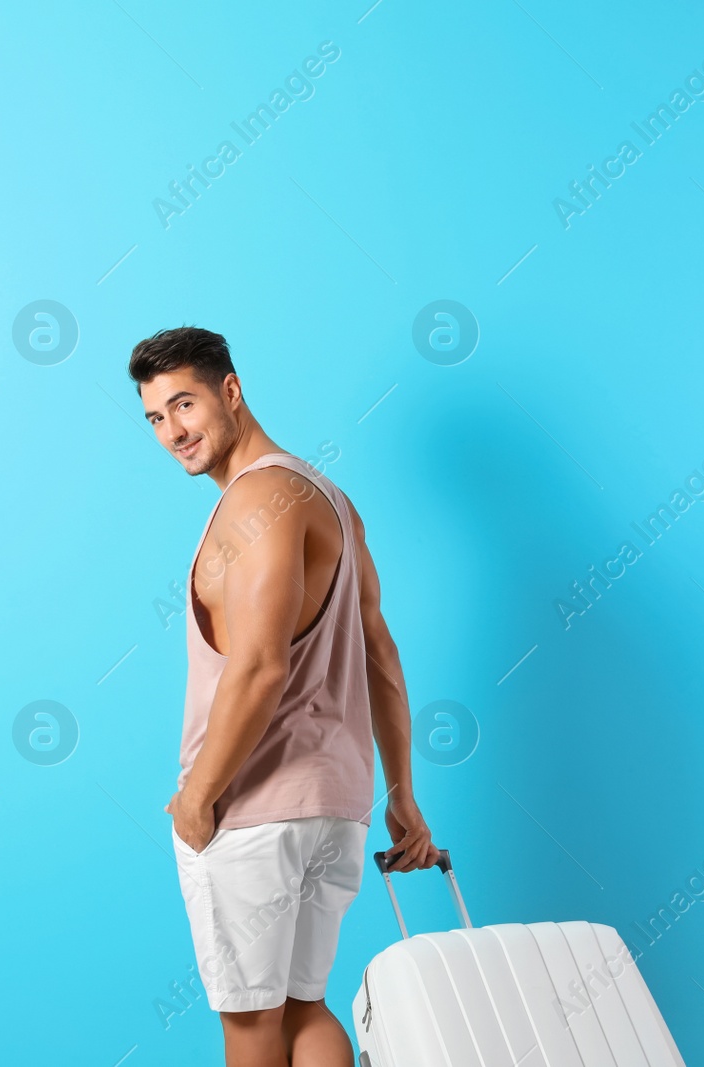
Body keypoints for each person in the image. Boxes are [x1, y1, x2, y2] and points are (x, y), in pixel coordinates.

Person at [129, 326, 439, 1067]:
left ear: (230, 391)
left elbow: (262, 663)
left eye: (185, 404)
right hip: (336, 807)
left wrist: (200, 796)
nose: (173, 431)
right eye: (155, 418)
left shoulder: (255, 499)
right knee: (306, 1008)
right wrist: (402, 795)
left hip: (253, 808)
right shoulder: (331, 498)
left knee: (250, 1027)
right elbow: (383, 657)